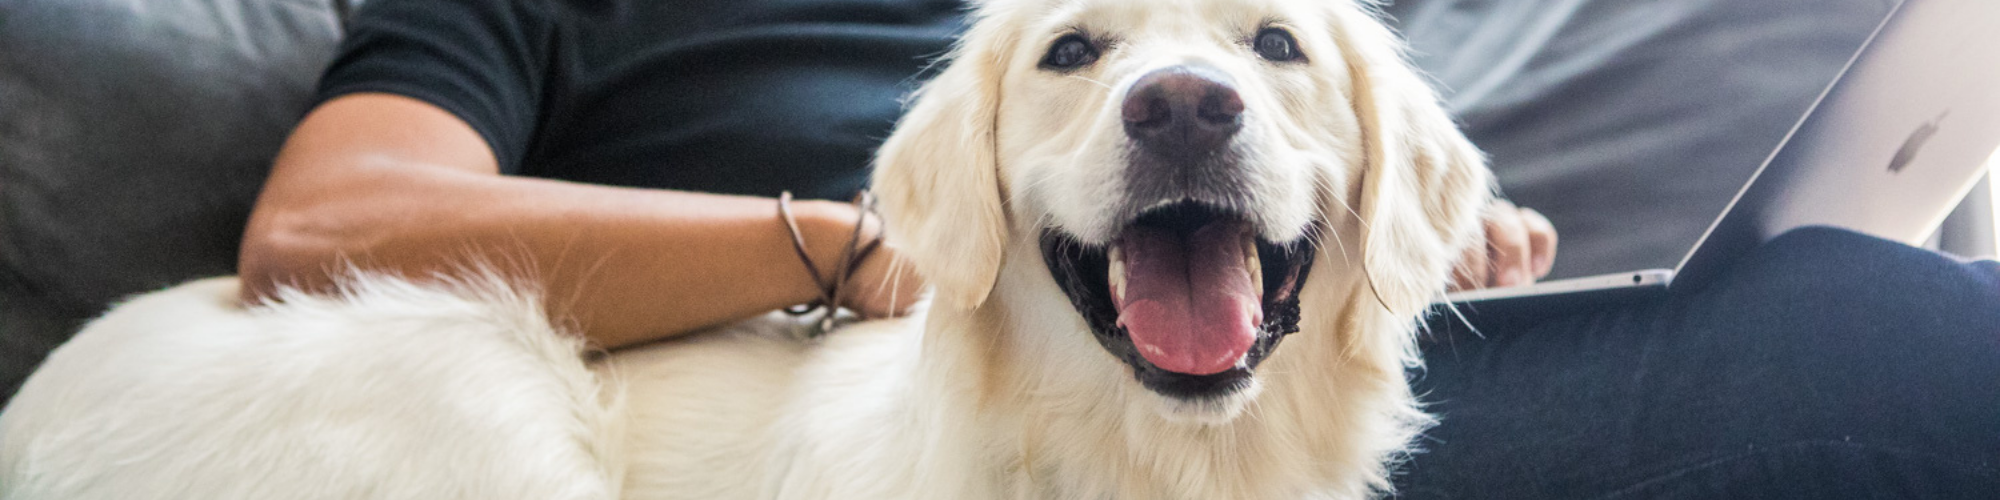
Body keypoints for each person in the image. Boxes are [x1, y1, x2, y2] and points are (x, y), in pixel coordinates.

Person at [245, 0, 1997, 497]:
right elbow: (324, 235)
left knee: (1881, 313)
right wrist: (848, 247)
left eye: (1257, 44)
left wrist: (1399, 229)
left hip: (1342, 412)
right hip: (908, 399)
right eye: (1080, 56)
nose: (1174, 84)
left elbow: (1293, 105)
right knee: (1866, 353)